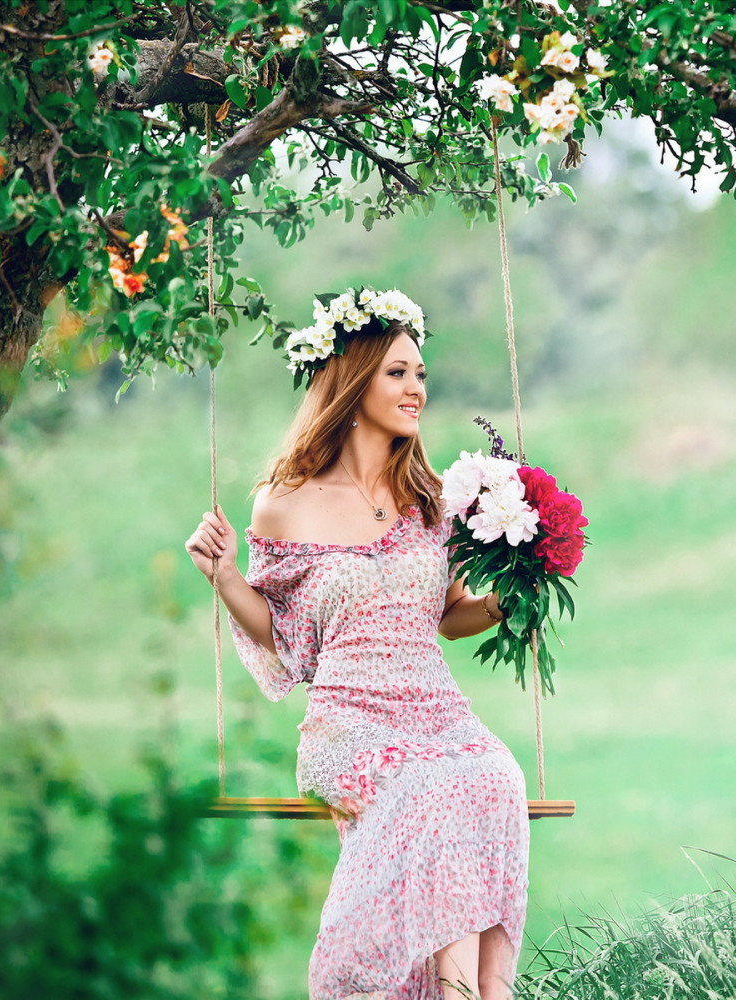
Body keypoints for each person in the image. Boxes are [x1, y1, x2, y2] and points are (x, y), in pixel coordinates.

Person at [184, 289, 527, 1000]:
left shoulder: (434, 497)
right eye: (398, 372)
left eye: (421, 374)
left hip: (437, 708)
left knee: (495, 774)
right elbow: (281, 629)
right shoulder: (286, 498)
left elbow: (451, 614)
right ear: (353, 378)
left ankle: (475, 990)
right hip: (352, 720)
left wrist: (504, 604)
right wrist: (223, 577)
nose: (416, 389)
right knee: (429, 786)